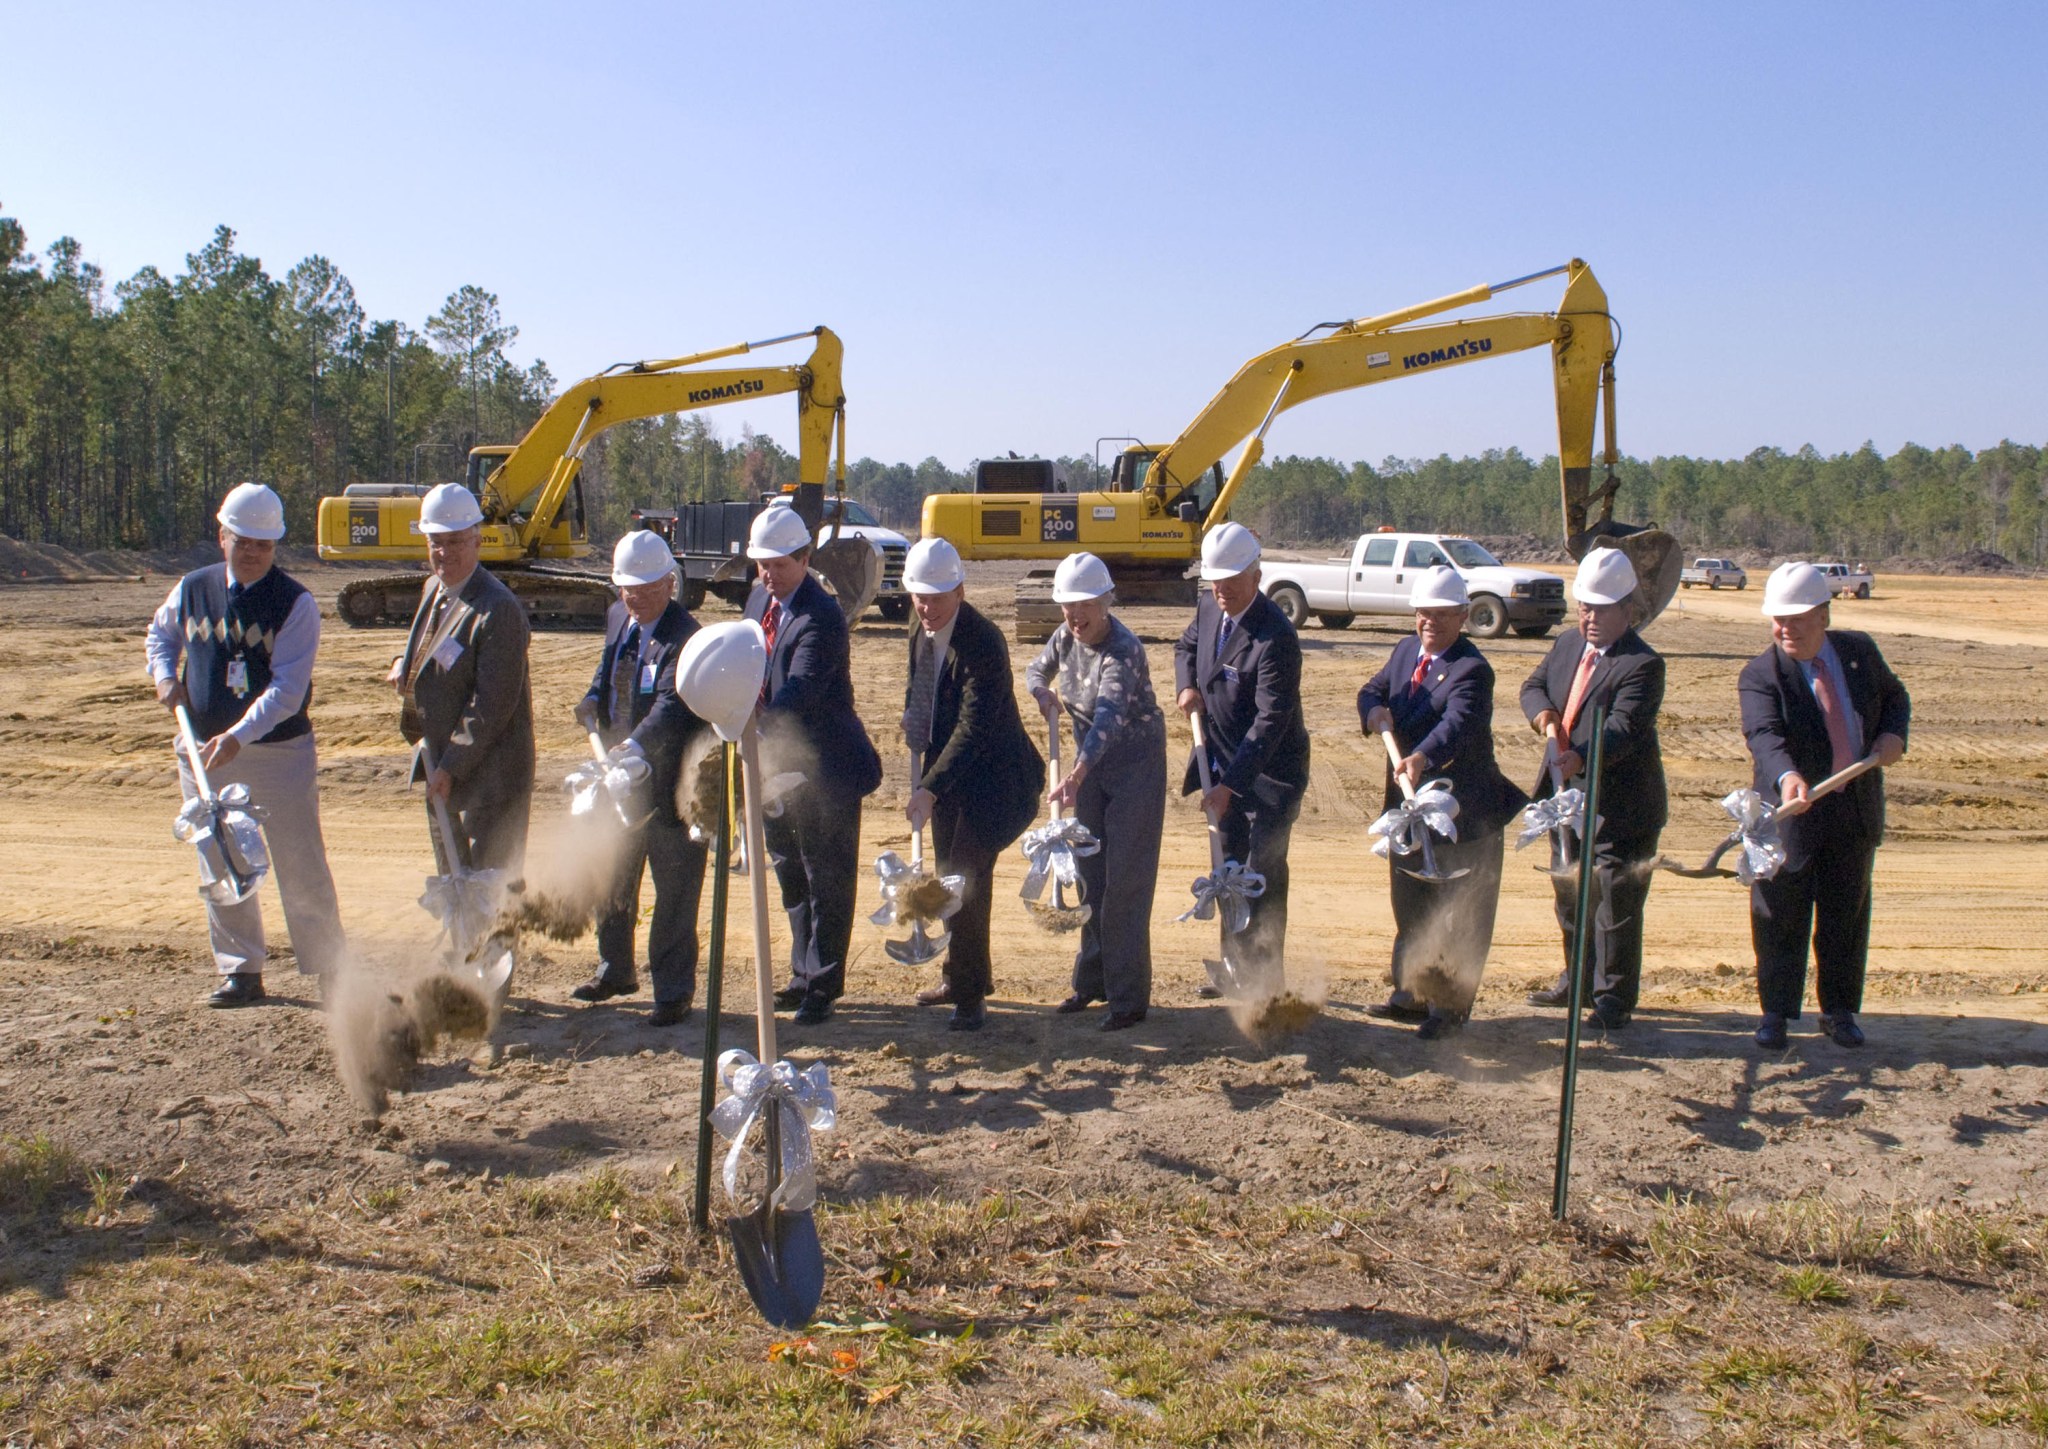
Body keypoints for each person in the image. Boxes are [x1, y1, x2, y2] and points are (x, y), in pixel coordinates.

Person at [145, 482, 348, 1007]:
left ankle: (330, 967)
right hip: (203, 751)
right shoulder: (192, 588)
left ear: (275, 546)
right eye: (244, 540)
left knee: (299, 859)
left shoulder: (295, 603)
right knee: (220, 857)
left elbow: (287, 690)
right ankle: (241, 970)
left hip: (277, 753)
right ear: (223, 536)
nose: (253, 552)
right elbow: (160, 636)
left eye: (264, 543)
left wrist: (237, 737)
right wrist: (165, 678)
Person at [1740, 562, 1909, 1049]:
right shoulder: (1761, 673)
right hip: (1792, 815)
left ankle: (1838, 1011)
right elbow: (1764, 735)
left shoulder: (1859, 653)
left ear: (1824, 616)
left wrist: (1893, 735)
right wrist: (1788, 776)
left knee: (1845, 915)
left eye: (1795, 619)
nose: (1784, 629)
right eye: (1777, 619)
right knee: (1779, 914)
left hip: (1852, 812)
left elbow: (1895, 697)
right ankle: (1775, 1013)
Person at [1357, 566, 1528, 1039]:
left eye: (1440, 615)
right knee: (1411, 903)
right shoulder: (1406, 650)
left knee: (1460, 915)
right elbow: (1373, 689)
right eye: (1423, 613)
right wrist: (1372, 711)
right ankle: (1411, 993)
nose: (1429, 622)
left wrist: (1420, 756)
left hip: (1463, 811)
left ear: (1462, 616)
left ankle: (1449, 1008)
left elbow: (1458, 725)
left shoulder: (1472, 670)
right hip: (1408, 808)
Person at [743, 502, 882, 1026]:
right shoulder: (759, 600)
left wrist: (751, 731)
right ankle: (802, 974)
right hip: (774, 767)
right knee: (790, 875)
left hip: (827, 770)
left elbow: (799, 691)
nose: (768, 574)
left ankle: (823, 985)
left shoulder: (821, 616)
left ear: (803, 558)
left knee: (827, 879)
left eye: (779, 564)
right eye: (762, 564)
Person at [898, 537, 1043, 1031]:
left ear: (960, 591)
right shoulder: (919, 625)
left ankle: (968, 995)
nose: (926, 606)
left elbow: (974, 726)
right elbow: (918, 689)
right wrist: (911, 723)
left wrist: (929, 787)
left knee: (965, 880)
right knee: (947, 875)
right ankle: (960, 974)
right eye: (919, 595)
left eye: (936, 597)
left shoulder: (984, 641)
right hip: (948, 779)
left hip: (997, 781)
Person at [1521, 547, 1667, 1031]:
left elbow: (1623, 728)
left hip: (1619, 806)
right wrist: (1543, 715)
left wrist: (1579, 753)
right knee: (1570, 895)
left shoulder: (1642, 665)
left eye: (1601, 608)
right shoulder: (1567, 645)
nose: (1590, 617)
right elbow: (1533, 686)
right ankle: (1577, 981)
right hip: (1565, 800)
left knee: (1614, 904)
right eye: (1585, 606)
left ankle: (1612, 999)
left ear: (1628, 610)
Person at [568, 530, 708, 1026]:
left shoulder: (686, 636)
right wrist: (591, 698)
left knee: (674, 893)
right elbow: (609, 671)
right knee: (613, 877)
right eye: (627, 588)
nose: (635, 598)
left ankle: (672, 991)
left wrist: (634, 747)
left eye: (646, 588)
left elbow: (672, 705)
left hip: (670, 787)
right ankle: (615, 970)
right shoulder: (617, 619)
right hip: (616, 779)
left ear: (670, 583)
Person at [1026, 552, 1168, 1031]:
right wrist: (1040, 692)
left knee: (1126, 881)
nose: (1075, 616)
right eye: (1067, 606)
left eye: (1084, 605)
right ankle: (1092, 983)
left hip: (1134, 767)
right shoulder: (1065, 637)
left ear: (1105, 602)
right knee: (1090, 875)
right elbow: (1035, 669)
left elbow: (1106, 718)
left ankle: (1128, 999)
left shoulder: (1123, 650)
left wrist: (1077, 775)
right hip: (1089, 770)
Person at [1173, 522, 1311, 997]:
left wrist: (1230, 786)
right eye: (1215, 579)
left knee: (1261, 874)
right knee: (1227, 866)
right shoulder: (1211, 604)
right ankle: (1234, 968)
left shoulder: (1276, 638)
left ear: (1256, 573)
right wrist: (1187, 685)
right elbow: (1186, 647)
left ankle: (1265, 982)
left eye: (1232, 579)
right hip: (1222, 764)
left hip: (1269, 775)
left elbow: (1271, 721)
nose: (1222, 589)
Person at [387, 481, 535, 898]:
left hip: (488, 776)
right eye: (436, 542)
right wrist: (406, 666)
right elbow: (430, 645)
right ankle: (462, 961)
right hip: (441, 764)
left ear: (476, 540)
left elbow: (492, 704)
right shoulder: (435, 589)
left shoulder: (497, 609)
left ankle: (495, 961)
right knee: (455, 884)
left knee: (493, 890)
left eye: (455, 542)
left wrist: (452, 767)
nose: (444, 553)